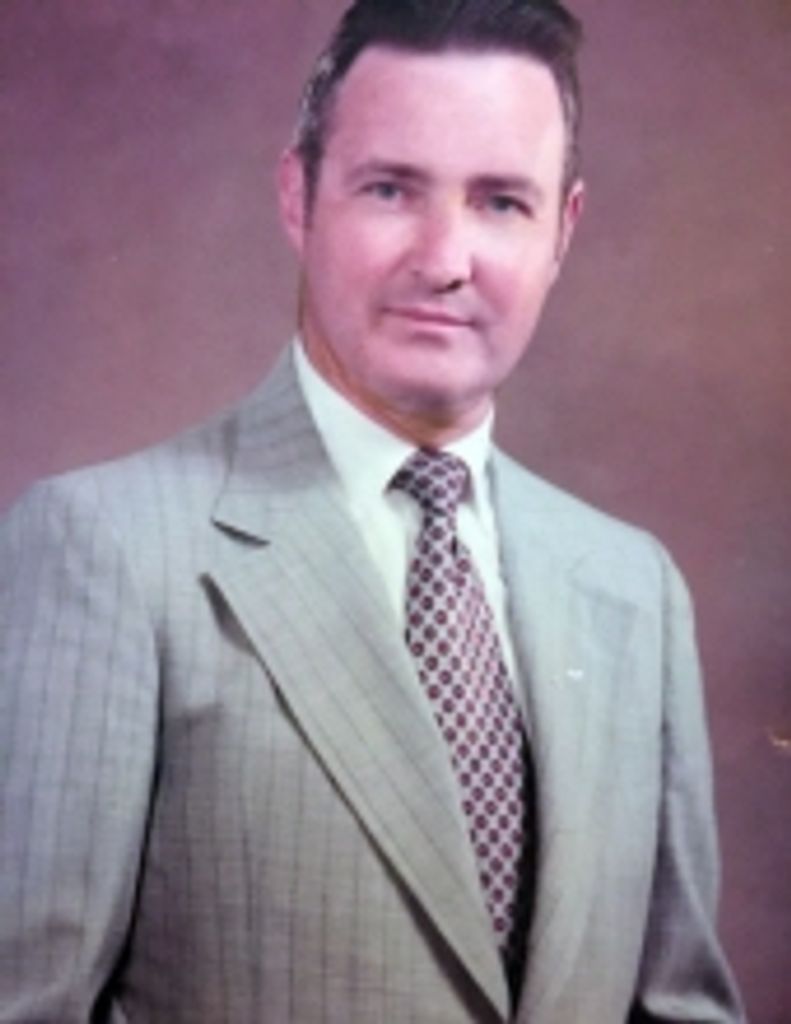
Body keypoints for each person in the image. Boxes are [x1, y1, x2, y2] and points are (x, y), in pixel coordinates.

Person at [0, 1, 746, 1021]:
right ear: (297, 197)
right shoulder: (105, 550)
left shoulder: (633, 587)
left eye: (500, 202)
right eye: (391, 189)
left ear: (562, 230)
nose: (443, 258)